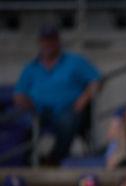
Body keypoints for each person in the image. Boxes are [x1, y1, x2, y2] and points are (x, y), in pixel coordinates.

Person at [14, 25, 100, 165]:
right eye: (45, 40)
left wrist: (84, 99)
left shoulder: (74, 61)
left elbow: (96, 81)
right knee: (24, 125)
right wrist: (26, 103)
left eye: (52, 40)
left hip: (70, 110)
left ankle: (54, 160)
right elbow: (19, 94)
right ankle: (26, 162)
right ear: (40, 42)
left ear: (58, 41)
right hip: (40, 112)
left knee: (67, 121)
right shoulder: (31, 67)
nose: (48, 44)